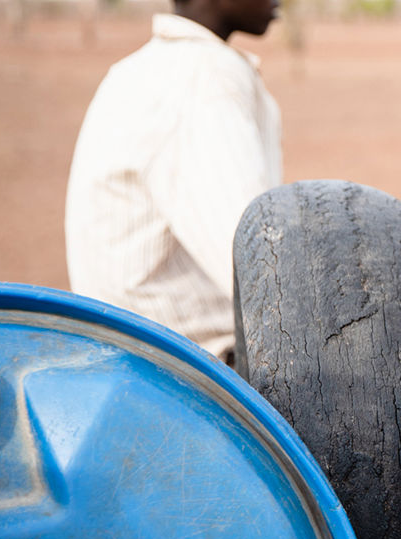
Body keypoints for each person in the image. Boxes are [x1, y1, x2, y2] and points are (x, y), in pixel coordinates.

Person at [65, 0, 281, 361]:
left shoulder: (137, 69)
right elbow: (258, 270)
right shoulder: (204, 77)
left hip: (121, 354)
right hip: (192, 370)